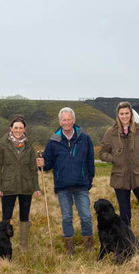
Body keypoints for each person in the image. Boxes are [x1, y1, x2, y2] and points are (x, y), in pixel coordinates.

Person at [99, 101, 139, 244]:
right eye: (122, 114)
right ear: (118, 115)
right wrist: (113, 158)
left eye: (127, 113)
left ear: (131, 114)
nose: (124, 116)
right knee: (125, 214)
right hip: (120, 178)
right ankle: (127, 244)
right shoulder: (111, 133)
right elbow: (102, 153)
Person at [37, 107, 95, 255]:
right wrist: (42, 164)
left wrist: (88, 181)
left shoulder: (84, 138)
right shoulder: (53, 141)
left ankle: (88, 246)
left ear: (74, 120)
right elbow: (48, 163)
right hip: (62, 187)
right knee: (67, 217)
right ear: (60, 122)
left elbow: (90, 162)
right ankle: (70, 248)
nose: (67, 122)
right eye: (64, 120)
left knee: (86, 216)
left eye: (69, 119)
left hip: (81, 185)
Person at [0, 114, 41, 251]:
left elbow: (33, 168)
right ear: (11, 128)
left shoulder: (29, 145)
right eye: (16, 127)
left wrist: (36, 187)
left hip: (26, 186)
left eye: (21, 128)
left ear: (24, 129)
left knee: (24, 217)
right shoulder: (3, 144)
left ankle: (23, 246)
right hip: (8, 186)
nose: (18, 130)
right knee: (6, 218)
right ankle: (3, 246)